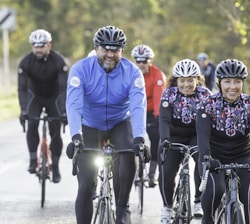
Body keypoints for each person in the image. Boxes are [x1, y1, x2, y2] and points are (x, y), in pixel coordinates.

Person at [65, 25, 150, 224]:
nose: (110, 54)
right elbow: (74, 105)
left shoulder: (132, 72)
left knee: (129, 153)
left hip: (120, 121)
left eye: (115, 49)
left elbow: (138, 106)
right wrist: (76, 136)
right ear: (96, 49)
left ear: (122, 50)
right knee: (86, 184)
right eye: (105, 49)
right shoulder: (80, 69)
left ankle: (122, 207)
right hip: (90, 124)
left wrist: (139, 138)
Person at [196, 59, 250, 224]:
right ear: (219, 82)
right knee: (216, 190)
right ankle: (208, 219)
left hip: (243, 155)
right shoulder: (207, 105)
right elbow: (203, 136)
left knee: (247, 199)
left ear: (243, 83)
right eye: (227, 82)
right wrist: (206, 157)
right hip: (214, 156)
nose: (232, 87)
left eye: (237, 82)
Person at [158, 59, 212, 223]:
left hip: (196, 134)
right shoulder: (169, 94)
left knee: (202, 160)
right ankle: (167, 206)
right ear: (176, 81)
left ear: (197, 80)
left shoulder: (205, 94)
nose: (186, 84)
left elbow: (210, 121)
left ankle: (197, 201)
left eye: (190, 80)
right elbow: (164, 120)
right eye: (182, 80)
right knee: (166, 171)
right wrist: (166, 140)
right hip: (174, 134)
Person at [18, 29, 68, 183]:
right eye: (35, 45)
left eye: (42, 45)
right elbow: (22, 88)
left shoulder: (59, 61)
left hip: (54, 97)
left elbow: (63, 88)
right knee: (32, 123)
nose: (38, 49)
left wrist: (64, 111)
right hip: (35, 97)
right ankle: (33, 160)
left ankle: (56, 166)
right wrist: (24, 110)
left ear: (49, 45)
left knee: (55, 131)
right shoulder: (26, 62)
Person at [131, 44, 166, 187]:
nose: (140, 64)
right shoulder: (130, 73)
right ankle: (133, 172)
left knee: (156, 138)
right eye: (137, 61)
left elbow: (158, 97)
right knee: (130, 140)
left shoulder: (158, 75)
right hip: (134, 108)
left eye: (144, 61)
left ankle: (152, 174)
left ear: (150, 61)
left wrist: (158, 116)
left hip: (151, 110)